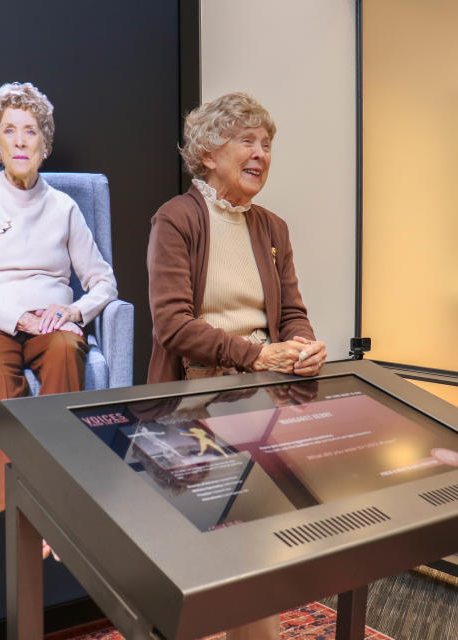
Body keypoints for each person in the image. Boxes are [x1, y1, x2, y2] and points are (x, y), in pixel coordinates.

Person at [146, 91, 327, 639]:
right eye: (246, 140)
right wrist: (254, 353)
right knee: (202, 563)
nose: (260, 153)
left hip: (265, 402)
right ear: (207, 153)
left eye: (267, 144)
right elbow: (171, 327)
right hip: (193, 405)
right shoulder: (176, 219)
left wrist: (304, 344)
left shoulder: (273, 229)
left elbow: (291, 313)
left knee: (256, 556)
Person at [0, 82, 117, 517]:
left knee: (66, 347)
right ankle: (23, 511)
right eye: (10, 131)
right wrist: (19, 317)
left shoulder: (64, 207)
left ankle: (61, 504)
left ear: (45, 144)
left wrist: (74, 310)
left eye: (30, 131)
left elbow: (104, 282)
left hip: (51, 323)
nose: (20, 141)